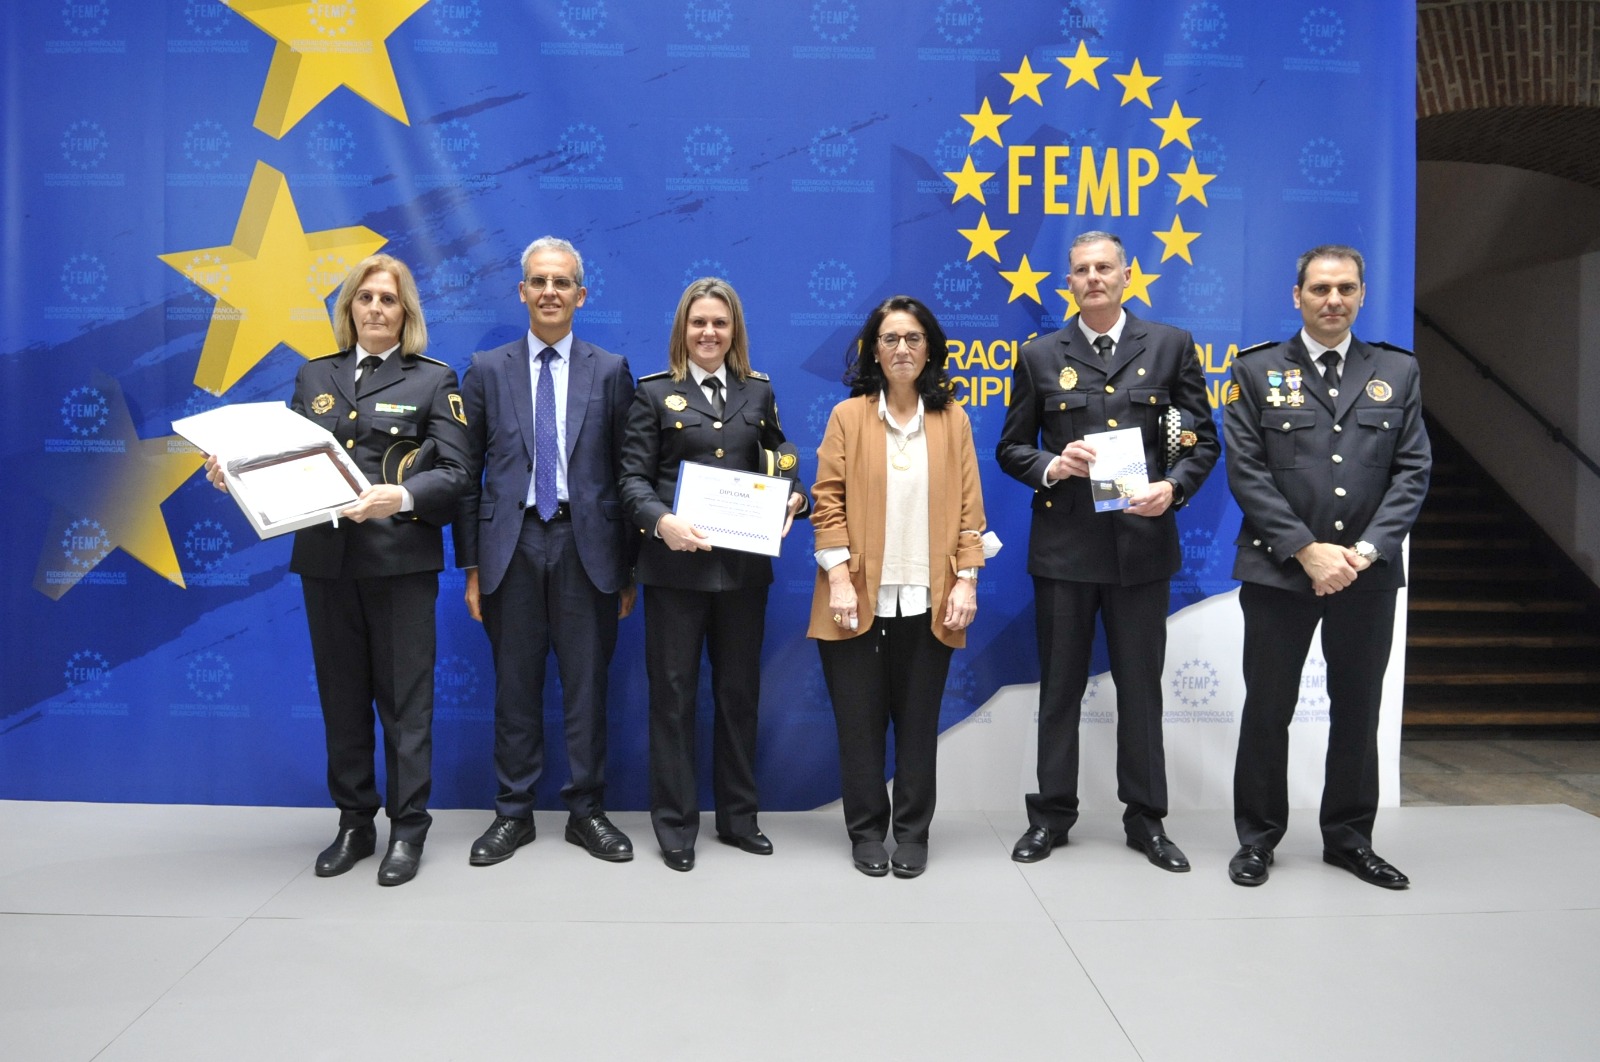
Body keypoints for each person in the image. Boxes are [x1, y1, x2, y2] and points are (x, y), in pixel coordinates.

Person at [204, 253, 471, 886]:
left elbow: (458, 476)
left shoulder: (434, 380)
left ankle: (408, 830)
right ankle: (355, 823)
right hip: (327, 565)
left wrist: (398, 497)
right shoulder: (313, 375)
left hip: (400, 564)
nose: (376, 309)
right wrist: (233, 475)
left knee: (406, 704)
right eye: (365, 298)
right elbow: (290, 465)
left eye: (389, 299)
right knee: (342, 699)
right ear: (347, 307)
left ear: (406, 312)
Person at [996, 230, 1218, 872]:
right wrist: (1053, 464)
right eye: (1080, 270)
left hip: (1142, 549)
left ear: (1127, 275)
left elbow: (1202, 441)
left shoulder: (1171, 345)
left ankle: (1147, 821)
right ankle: (1051, 818)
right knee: (1059, 690)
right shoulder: (1040, 355)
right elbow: (1011, 448)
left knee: (1141, 692)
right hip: (1065, 552)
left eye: (1104, 268)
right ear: (1067, 282)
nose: (1093, 278)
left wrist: (1172, 488)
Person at [1223, 244, 1430, 890]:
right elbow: (1247, 471)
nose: (1333, 299)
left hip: (1366, 576)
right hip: (1280, 571)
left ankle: (1348, 838)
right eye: (1320, 289)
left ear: (1362, 295)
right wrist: (1306, 549)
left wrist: (1364, 552)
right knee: (1268, 709)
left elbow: (1413, 470)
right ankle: (1257, 840)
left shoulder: (1397, 372)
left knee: (1357, 709)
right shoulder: (1257, 371)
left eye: (1345, 288)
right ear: (1297, 296)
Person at [452, 237, 638, 868]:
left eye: (562, 282)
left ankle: (587, 813)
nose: (550, 292)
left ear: (581, 295)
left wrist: (627, 572)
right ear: (522, 293)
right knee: (515, 687)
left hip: (589, 551)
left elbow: (627, 475)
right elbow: (465, 474)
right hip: (513, 546)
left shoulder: (610, 370)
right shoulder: (484, 369)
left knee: (587, 689)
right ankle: (513, 814)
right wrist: (474, 567)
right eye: (539, 281)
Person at [618, 277, 807, 872]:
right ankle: (675, 826)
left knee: (738, 696)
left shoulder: (759, 392)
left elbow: (782, 464)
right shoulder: (653, 394)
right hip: (674, 571)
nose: (708, 333)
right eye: (698, 322)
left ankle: (739, 818)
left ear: (734, 332)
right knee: (672, 699)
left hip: (743, 576)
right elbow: (630, 482)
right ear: (683, 329)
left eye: (719, 324)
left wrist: (793, 500)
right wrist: (661, 522)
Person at [808, 296, 987, 879]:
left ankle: (912, 832)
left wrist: (966, 581)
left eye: (912, 338)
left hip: (932, 598)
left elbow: (970, 512)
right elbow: (826, 503)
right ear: (873, 350)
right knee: (858, 725)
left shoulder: (952, 418)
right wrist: (838, 578)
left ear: (929, 348)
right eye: (890, 339)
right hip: (854, 596)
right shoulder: (848, 416)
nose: (902, 349)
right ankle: (865, 832)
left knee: (917, 723)